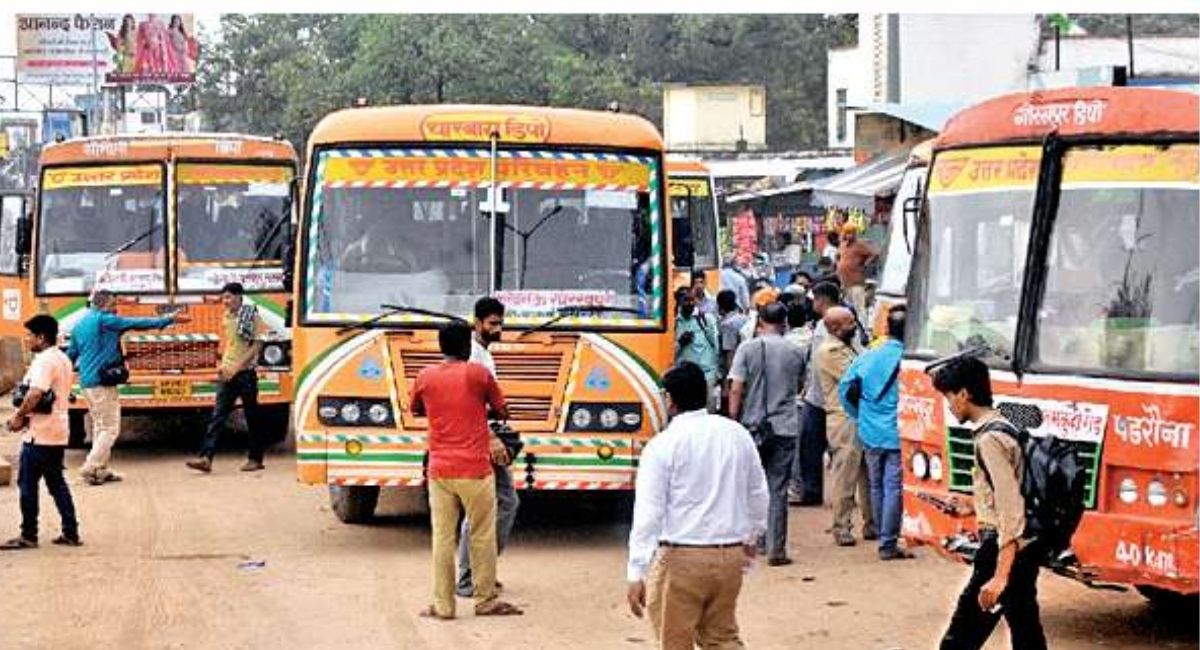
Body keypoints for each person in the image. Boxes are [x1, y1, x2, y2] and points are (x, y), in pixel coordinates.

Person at [626, 362, 768, 648]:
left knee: (674, 641)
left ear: (669, 399)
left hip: (682, 557)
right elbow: (757, 492)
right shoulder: (736, 434)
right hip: (729, 554)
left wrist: (636, 570)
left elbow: (649, 512)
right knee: (722, 637)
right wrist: (752, 538)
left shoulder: (663, 445)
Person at [410, 321, 522, 619]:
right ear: (467, 346)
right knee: (482, 534)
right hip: (475, 469)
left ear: (441, 347)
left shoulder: (425, 376)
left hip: (439, 470)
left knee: (442, 538)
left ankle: (443, 606)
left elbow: (416, 408)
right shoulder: (478, 374)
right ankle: (484, 600)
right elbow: (502, 410)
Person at [934, 356, 1046, 650]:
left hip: (1002, 548)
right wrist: (973, 506)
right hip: (1023, 548)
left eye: (949, 397)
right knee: (1026, 631)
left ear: (964, 394)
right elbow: (1010, 489)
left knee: (961, 638)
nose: (949, 406)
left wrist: (1000, 575)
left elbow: (1011, 509)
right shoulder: (1004, 422)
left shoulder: (990, 440)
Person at [68, 290, 188, 485]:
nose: (116, 308)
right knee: (110, 428)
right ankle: (91, 466)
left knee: (100, 426)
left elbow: (70, 355)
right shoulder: (105, 320)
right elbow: (137, 323)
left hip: (87, 383)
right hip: (102, 382)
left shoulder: (80, 324)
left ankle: (100, 470)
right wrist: (168, 319)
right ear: (103, 304)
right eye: (113, 304)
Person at [728, 303, 807, 566]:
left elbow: (736, 388)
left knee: (752, 487)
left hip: (752, 427)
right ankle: (776, 549)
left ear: (760, 322)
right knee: (778, 488)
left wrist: (734, 420)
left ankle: (754, 541)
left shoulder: (747, 348)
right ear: (785, 323)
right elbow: (799, 386)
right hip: (784, 426)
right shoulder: (797, 351)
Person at [457, 297, 520, 599]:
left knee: (505, 503)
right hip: (479, 439)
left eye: (500, 323)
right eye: (493, 324)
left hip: (486, 435)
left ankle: (483, 570)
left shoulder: (484, 354)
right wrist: (491, 437)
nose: (498, 329)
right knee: (480, 508)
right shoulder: (473, 357)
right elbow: (469, 405)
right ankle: (468, 578)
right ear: (477, 323)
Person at [1, 315, 81, 550]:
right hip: (57, 430)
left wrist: (19, 416)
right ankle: (70, 531)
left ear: (41, 337)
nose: (27, 340)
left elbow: (36, 393)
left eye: (30, 336)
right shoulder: (63, 358)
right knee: (56, 483)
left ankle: (28, 534)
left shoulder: (45, 361)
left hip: (40, 433)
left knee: (27, 485)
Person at [839, 306, 912, 561]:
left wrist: (859, 415)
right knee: (893, 487)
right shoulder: (909, 360)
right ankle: (888, 542)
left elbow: (845, 388)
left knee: (875, 484)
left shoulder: (868, 355)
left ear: (887, 328)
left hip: (869, 429)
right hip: (897, 431)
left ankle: (883, 534)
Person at [186, 282, 270, 473]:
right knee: (218, 415)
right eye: (224, 297)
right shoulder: (226, 317)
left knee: (252, 416)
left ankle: (255, 459)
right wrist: (223, 365)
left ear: (239, 297)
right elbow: (231, 343)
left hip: (245, 374)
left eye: (229, 297)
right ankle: (206, 458)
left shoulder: (251, 316)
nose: (225, 301)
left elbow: (257, 345)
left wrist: (237, 367)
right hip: (226, 372)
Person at [815, 306, 875, 546]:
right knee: (845, 476)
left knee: (867, 475)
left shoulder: (849, 346)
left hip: (860, 416)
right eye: (850, 323)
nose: (855, 327)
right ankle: (841, 526)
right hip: (843, 419)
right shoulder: (830, 351)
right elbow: (859, 377)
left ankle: (872, 523)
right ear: (834, 328)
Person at [789, 282, 842, 505]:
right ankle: (814, 490)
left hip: (823, 396)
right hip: (819, 394)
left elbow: (821, 362)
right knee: (812, 445)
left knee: (814, 445)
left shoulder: (829, 323)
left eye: (815, 299)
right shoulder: (831, 321)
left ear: (823, 299)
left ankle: (815, 491)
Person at [673, 286, 720, 409]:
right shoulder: (673, 323)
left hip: (707, 375)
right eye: (686, 300)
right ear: (679, 301)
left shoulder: (706, 319)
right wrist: (680, 343)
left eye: (692, 300)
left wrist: (718, 373)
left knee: (708, 411)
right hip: (684, 378)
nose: (690, 303)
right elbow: (668, 353)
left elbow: (716, 346)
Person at [837, 223, 879, 319]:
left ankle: (863, 326)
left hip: (856, 281)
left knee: (859, 307)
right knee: (849, 308)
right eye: (848, 233)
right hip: (845, 282)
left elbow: (874, 254)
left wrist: (865, 264)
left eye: (852, 233)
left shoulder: (859, 244)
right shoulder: (843, 245)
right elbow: (838, 256)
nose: (850, 235)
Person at [716, 289, 747, 411]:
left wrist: (728, 383)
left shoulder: (727, 325)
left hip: (735, 371)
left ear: (720, 306)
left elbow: (730, 353)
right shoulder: (745, 319)